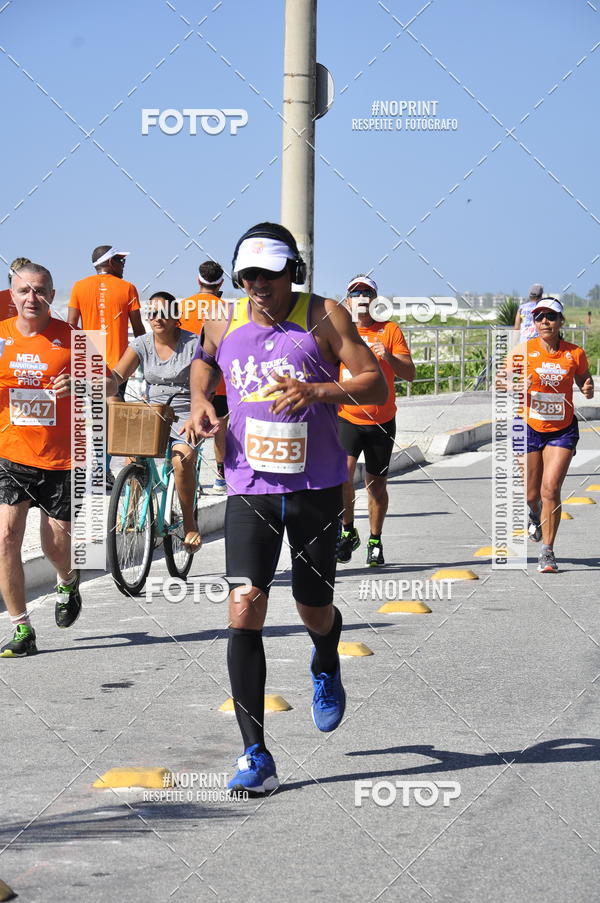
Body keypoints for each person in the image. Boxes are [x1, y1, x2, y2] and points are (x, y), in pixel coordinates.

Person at [188, 222, 386, 794]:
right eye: (248, 275)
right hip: (249, 485)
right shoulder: (223, 320)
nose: (257, 285)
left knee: (312, 606)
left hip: (315, 487)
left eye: (269, 275)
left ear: (291, 273)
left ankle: (326, 655)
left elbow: (373, 383)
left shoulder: (324, 316)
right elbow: (203, 360)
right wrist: (202, 400)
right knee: (244, 603)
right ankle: (256, 754)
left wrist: (319, 391)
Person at [0, 264, 95, 656]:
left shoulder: (73, 338)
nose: (31, 299)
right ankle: (22, 628)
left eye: (39, 291)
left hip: (62, 458)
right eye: (23, 291)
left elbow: (110, 382)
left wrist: (81, 382)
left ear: (52, 295)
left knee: (56, 546)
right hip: (12, 452)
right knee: (6, 535)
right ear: (12, 295)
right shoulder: (1, 336)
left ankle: (67, 579)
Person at [110, 291, 202, 552]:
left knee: (181, 458)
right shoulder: (141, 343)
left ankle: (190, 524)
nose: (156, 318)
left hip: (186, 410)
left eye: (163, 313)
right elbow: (118, 374)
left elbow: (208, 381)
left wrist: (199, 414)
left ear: (176, 318)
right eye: (152, 313)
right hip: (153, 410)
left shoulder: (194, 344)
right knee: (132, 456)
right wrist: (104, 380)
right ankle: (128, 512)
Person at [336, 275, 415, 566]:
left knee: (375, 486)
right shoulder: (339, 331)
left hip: (381, 420)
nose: (361, 298)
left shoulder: (390, 330)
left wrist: (389, 358)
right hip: (347, 417)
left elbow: (410, 374)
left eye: (367, 293)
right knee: (342, 475)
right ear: (347, 301)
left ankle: (374, 540)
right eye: (355, 293)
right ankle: (346, 532)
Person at [515, 298, 593, 573]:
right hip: (528, 426)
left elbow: (584, 378)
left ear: (560, 322)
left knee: (551, 489)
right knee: (531, 492)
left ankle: (547, 551)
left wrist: (587, 387)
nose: (544, 321)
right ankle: (533, 513)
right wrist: (516, 385)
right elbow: (501, 382)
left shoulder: (575, 353)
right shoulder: (523, 351)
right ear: (534, 323)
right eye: (539, 317)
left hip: (562, 429)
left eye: (550, 316)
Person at [67, 246, 145, 487]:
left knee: (99, 417)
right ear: (109, 262)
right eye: (120, 260)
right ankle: (105, 469)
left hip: (89, 361)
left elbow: (71, 326)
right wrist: (145, 357)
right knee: (112, 419)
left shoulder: (79, 286)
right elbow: (140, 330)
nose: (124, 264)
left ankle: (101, 469)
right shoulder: (128, 288)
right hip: (118, 365)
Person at [181, 260, 230, 494]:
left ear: (198, 280)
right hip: (219, 382)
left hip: (190, 381)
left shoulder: (182, 307)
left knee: (193, 428)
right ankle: (221, 477)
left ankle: (192, 476)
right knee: (220, 428)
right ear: (220, 282)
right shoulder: (226, 310)